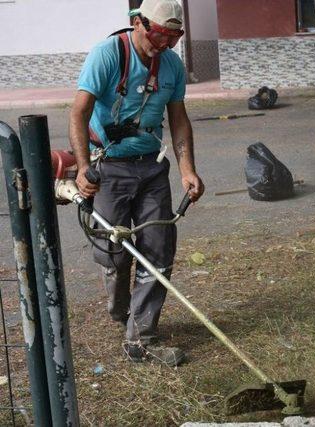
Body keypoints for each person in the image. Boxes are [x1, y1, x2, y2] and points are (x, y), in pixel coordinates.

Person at [69, 0, 204, 366]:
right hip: (108, 167)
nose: (164, 44)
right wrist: (82, 168)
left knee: (158, 250)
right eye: (159, 34)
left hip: (151, 168)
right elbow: (78, 113)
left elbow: (178, 120)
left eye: (173, 37)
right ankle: (120, 311)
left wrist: (187, 169)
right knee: (114, 252)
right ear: (139, 23)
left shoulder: (172, 66)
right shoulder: (108, 54)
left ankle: (140, 336)